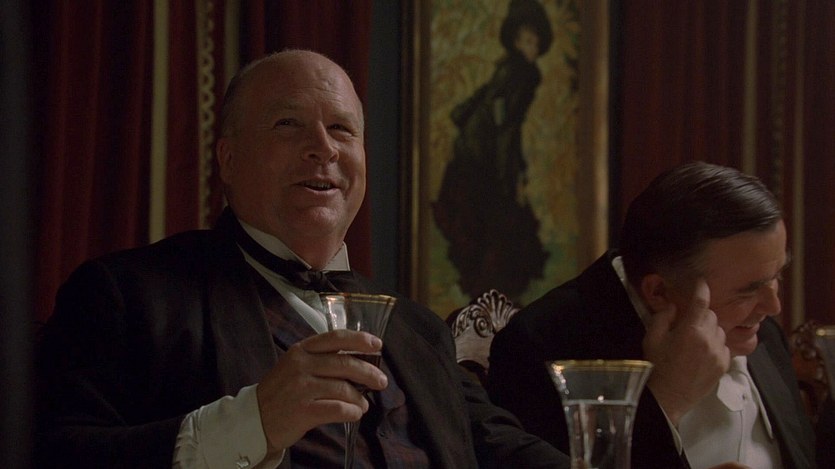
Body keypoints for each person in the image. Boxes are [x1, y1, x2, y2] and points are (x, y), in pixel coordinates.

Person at [34, 50, 570, 468]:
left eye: (342, 129)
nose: (323, 148)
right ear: (228, 159)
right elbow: (61, 455)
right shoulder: (127, 296)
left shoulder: (418, 330)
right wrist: (253, 422)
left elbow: (504, 449)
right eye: (288, 124)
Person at [487, 162, 817, 469]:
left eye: (776, 276)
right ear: (658, 292)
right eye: (747, 291)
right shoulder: (540, 346)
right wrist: (666, 400)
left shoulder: (761, 332)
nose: (773, 306)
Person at [433, 0, 552, 300]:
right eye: (527, 41)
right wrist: (509, 173)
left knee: (484, 222)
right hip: (483, 156)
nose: (533, 48)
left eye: (536, 42)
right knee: (492, 221)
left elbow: (503, 121)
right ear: (516, 41)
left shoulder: (512, 70)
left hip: (477, 154)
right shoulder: (522, 72)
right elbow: (503, 124)